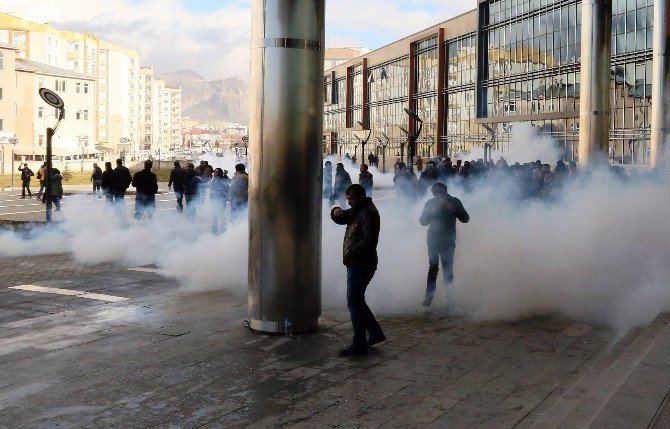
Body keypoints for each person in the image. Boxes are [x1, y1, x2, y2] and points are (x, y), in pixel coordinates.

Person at [330, 184, 386, 356]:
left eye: (351, 199)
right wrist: (336, 211)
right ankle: (375, 333)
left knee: (354, 302)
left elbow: (370, 240)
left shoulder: (368, 212)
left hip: (361, 263)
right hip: (356, 262)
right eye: (348, 199)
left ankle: (359, 343)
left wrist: (352, 252)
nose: (349, 202)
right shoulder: (358, 209)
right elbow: (343, 217)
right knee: (357, 301)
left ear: (361, 196)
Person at [419, 182, 469, 307]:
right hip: (433, 239)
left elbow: (466, 218)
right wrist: (431, 212)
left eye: (437, 194)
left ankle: (450, 298)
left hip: (448, 240)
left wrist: (455, 210)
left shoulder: (454, 201)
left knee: (448, 270)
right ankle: (429, 297)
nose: (436, 197)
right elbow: (422, 222)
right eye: (434, 194)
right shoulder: (430, 203)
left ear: (444, 193)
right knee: (433, 268)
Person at [210, 167, 230, 233]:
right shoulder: (214, 179)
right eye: (215, 171)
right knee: (214, 214)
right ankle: (214, 228)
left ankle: (223, 227)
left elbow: (227, 188)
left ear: (220, 173)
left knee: (221, 214)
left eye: (217, 171)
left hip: (221, 200)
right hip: (214, 199)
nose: (215, 172)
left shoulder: (222, 179)